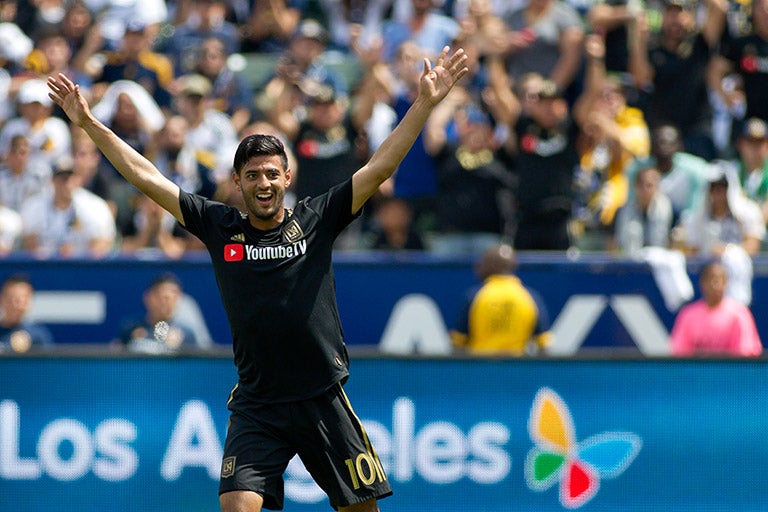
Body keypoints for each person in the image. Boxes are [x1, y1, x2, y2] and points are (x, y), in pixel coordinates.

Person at [48, 44, 468, 512]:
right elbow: (146, 176)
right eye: (252, 175)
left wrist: (425, 103)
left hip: (321, 398)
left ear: (287, 177)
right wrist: (87, 123)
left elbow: (381, 166)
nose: (263, 183)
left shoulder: (317, 218)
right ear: (238, 181)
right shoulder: (218, 225)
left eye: (271, 173)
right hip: (258, 403)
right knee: (237, 506)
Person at [450, 243, 551, 355]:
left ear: (491, 266)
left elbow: (458, 343)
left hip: (480, 368)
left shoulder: (474, 296)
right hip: (517, 369)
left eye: (481, 264)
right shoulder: (530, 297)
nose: (476, 269)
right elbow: (543, 344)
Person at [669, 260, 762, 356]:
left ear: (726, 283)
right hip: (696, 371)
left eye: (719, 280)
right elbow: (679, 353)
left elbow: (745, 353)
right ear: (702, 282)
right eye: (711, 279)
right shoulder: (688, 314)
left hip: (730, 370)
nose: (715, 285)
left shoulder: (739, 313)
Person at [116, 272, 203, 354]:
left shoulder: (187, 334)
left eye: (173, 297)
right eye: (163, 298)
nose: (167, 303)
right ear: (149, 297)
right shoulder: (130, 328)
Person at [0, 273, 53, 353]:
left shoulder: (37, 336)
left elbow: (44, 364)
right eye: (11, 299)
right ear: (2, 299)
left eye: (20, 301)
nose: (15, 306)